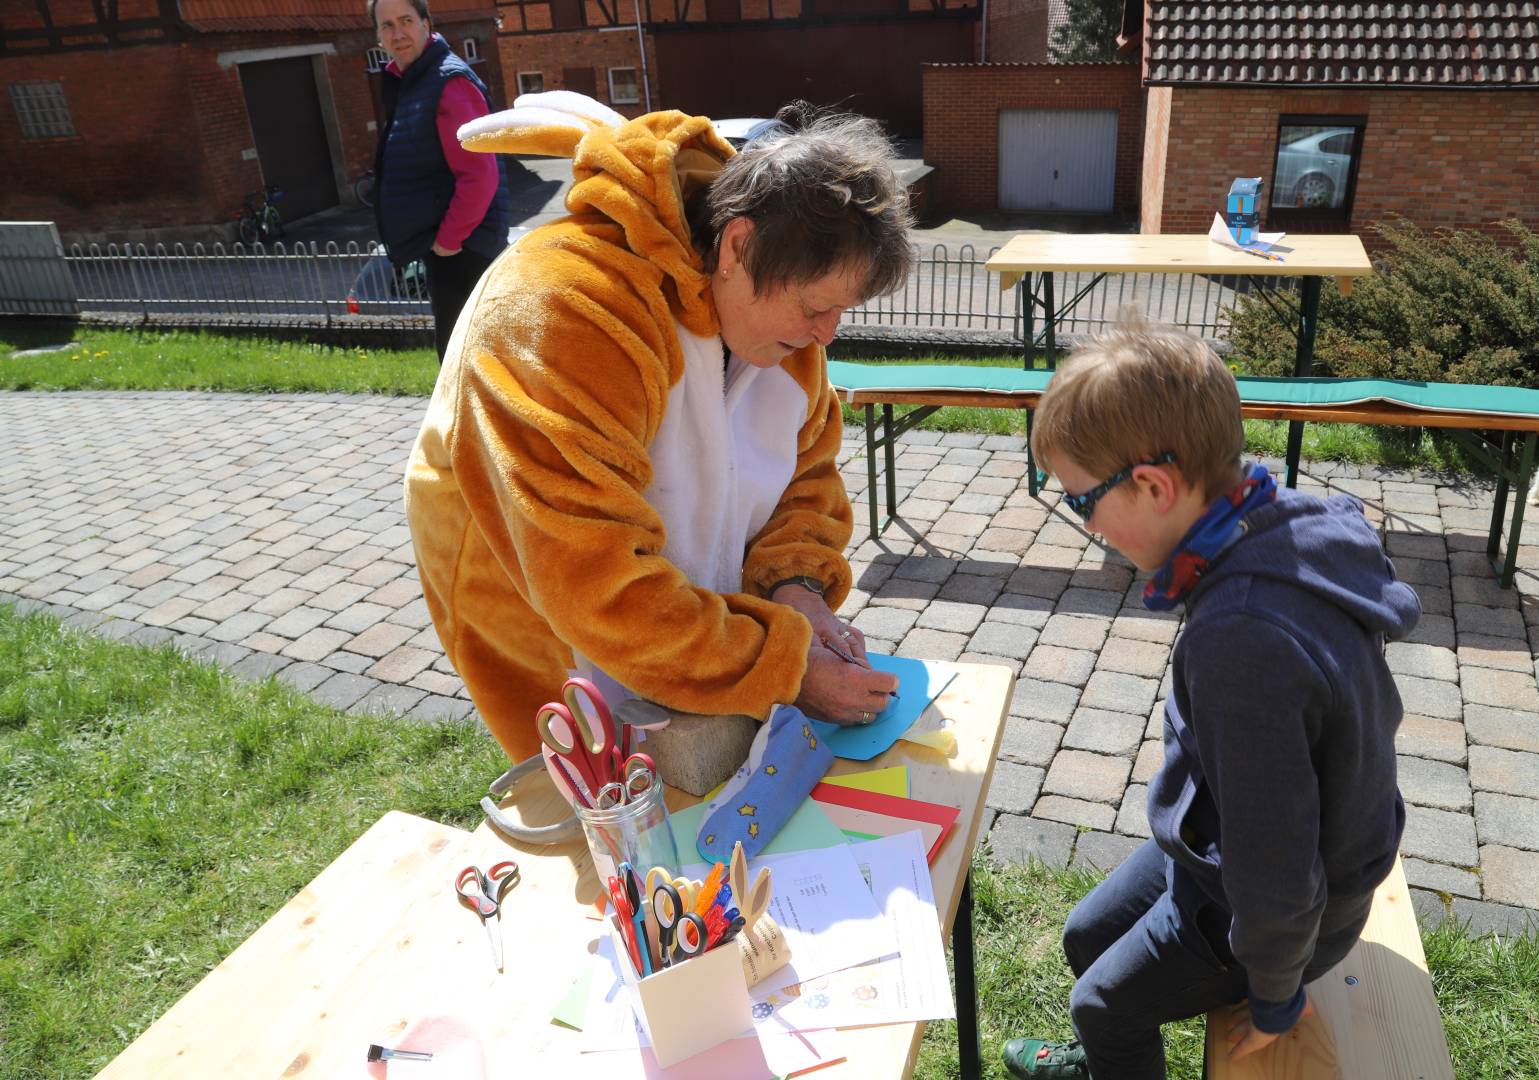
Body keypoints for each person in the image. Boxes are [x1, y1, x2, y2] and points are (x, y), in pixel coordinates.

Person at [403, 97, 909, 764]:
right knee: (600, 808)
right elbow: (590, 579)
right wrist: (782, 667)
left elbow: (805, 479)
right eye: (818, 307)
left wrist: (797, 587)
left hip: (662, 616)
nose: (827, 335)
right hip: (542, 612)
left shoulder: (782, 327)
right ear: (737, 245)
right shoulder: (565, 306)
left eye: (841, 310)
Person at [1001, 313, 1421, 1080]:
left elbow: (1275, 858)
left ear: (1154, 486)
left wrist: (1274, 994)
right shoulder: (1277, 518)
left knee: (1101, 1005)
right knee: (1084, 936)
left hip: (1285, 912)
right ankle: (1111, 1062)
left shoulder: (1240, 640)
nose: (1084, 524)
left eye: (1080, 501)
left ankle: (1109, 1056)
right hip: (1243, 855)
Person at [370, 0, 508, 361]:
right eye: (387, 26)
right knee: (462, 364)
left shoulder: (448, 82)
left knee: (467, 365)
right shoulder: (414, 80)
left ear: (426, 24)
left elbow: (480, 175)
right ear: (378, 36)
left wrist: (448, 241)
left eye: (405, 21)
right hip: (451, 250)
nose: (398, 34)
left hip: (465, 251)